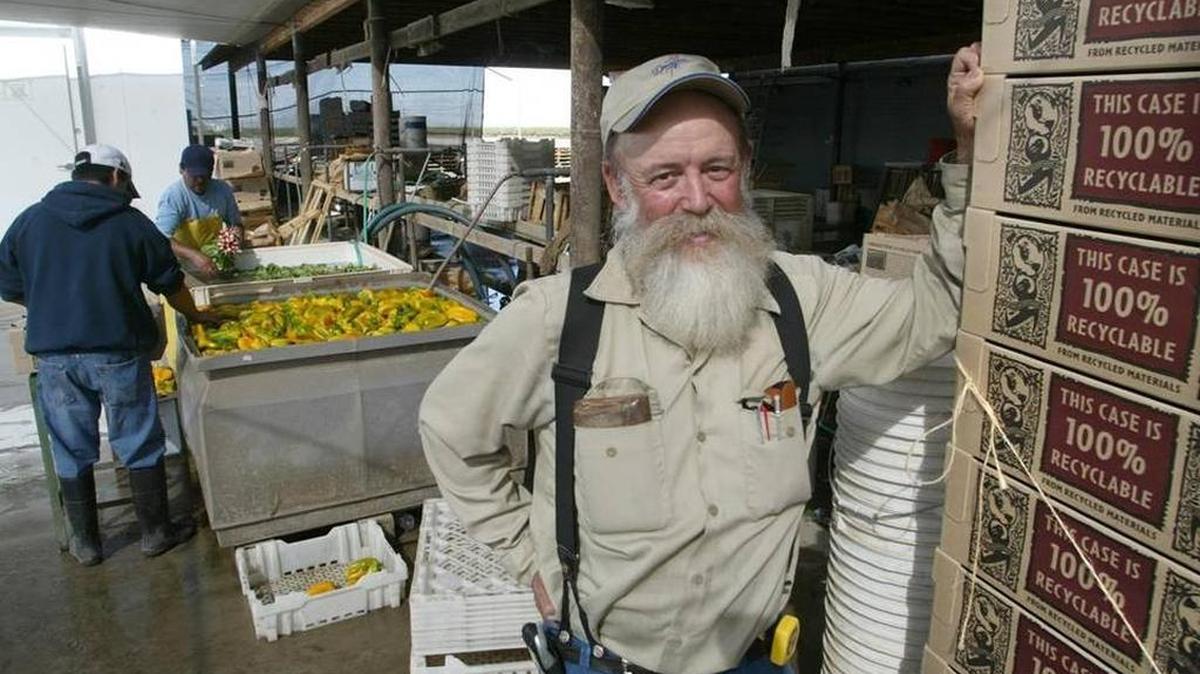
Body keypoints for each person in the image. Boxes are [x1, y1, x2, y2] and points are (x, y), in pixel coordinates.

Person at [420, 46, 984, 674]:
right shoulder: (560, 320)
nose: (697, 199)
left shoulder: (805, 299)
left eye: (717, 169)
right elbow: (450, 427)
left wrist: (967, 153)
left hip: (758, 660)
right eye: (664, 177)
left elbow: (936, 313)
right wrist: (528, 556)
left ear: (745, 169)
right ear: (615, 185)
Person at [0, 144, 216, 566]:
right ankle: (156, 533)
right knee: (136, 439)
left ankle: (86, 543)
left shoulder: (30, 220)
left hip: (55, 357)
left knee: (71, 444)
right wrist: (200, 318)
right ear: (116, 178)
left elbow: (7, 283)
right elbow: (168, 284)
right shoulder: (130, 223)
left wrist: (49, 305)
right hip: (116, 350)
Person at [155, 144, 242, 275]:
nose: (200, 180)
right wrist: (194, 256)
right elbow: (160, 239)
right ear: (181, 169)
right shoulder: (174, 196)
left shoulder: (223, 190)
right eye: (194, 175)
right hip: (182, 268)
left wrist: (236, 237)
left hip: (214, 264)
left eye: (204, 175)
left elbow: (236, 224)